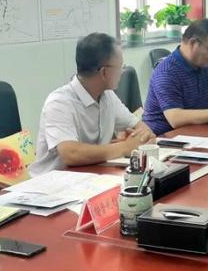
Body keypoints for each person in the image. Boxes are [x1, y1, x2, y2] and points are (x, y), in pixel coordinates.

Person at [31, 33, 155, 176]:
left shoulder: (108, 96)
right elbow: (70, 153)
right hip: (53, 183)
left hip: (92, 177)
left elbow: (142, 129)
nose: (122, 72)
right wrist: (126, 147)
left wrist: (143, 138)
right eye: (120, 66)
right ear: (104, 72)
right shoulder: (59, 103)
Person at [143, 18, 208, 135]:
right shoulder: (167, 71)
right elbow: (175, 118)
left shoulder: (204, 66)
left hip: (197, 133)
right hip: (165, 138)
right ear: (193, 43)